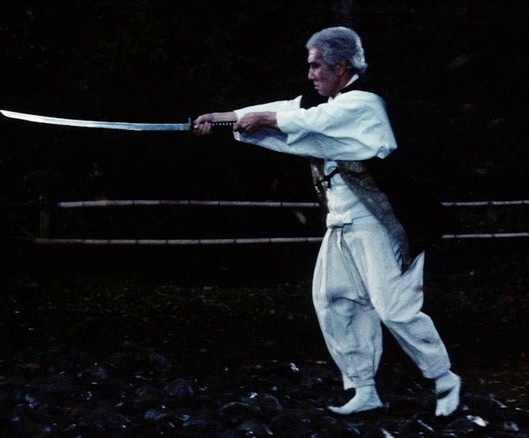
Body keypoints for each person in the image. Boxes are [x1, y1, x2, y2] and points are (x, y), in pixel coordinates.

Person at [193, 26, 461, 417]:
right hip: (342, 223)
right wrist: (225, 118)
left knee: (394, 309)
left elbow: (306, 123)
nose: (311, 73)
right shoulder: (329, 103)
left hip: (383, 223)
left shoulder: (361, 104)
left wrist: (259, 119)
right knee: (334, 301)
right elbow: (292, 109)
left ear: (340, 66)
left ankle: (443, 378)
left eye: (316, 66)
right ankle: (364, 388)